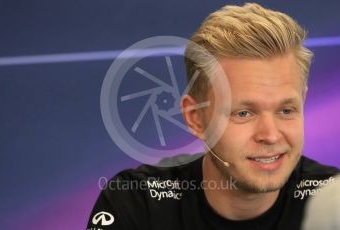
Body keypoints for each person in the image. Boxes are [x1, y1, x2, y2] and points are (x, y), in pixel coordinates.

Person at [87, 3, 339, 230]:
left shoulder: (333, 203)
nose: (270, 135)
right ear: (196, 118)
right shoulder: (136, 203)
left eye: (286, 110)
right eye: (243, 113)